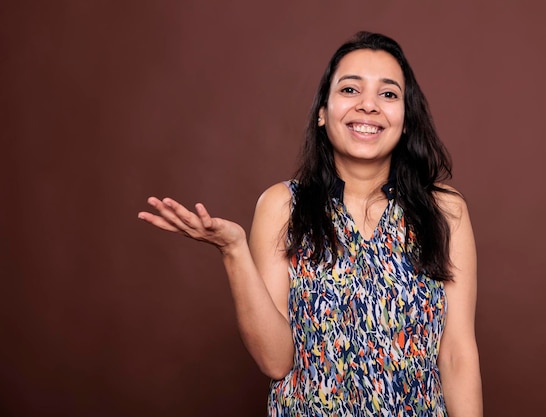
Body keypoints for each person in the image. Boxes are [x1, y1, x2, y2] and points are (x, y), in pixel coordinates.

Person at [138, 31, 482, 417]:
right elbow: (275, 361)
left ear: (406, 120)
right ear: (322, 112)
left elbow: (457, 355)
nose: (369, 106)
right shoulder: (282, 206)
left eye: (388, 94)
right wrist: (233, 251)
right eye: (350, 90)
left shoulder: (445, 211)